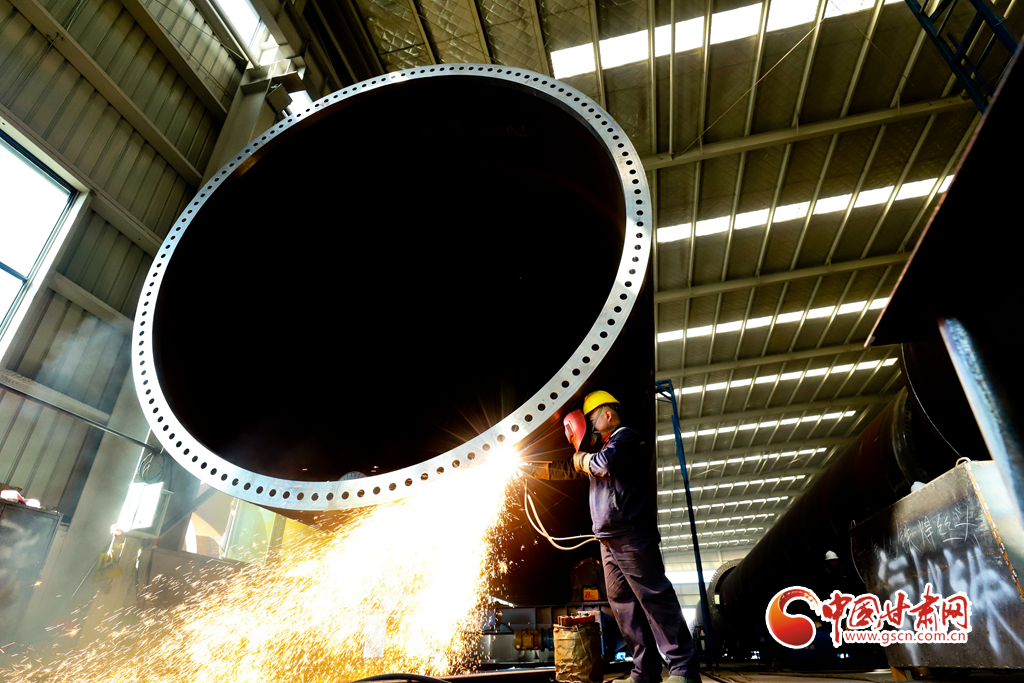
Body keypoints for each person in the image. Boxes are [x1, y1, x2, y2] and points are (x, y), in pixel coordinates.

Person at [519, 390, 700, 683]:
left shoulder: (626, 439)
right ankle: (645, 673)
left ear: (607, 413)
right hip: (607, 539)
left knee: (654, 598)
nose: (588, 426)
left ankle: (683, 669)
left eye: (590, 419)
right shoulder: (601, 449)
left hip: (632, 534)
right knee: (624, 607)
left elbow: (604, 464)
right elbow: (569, 467)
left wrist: (583, 460)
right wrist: (529, 470)